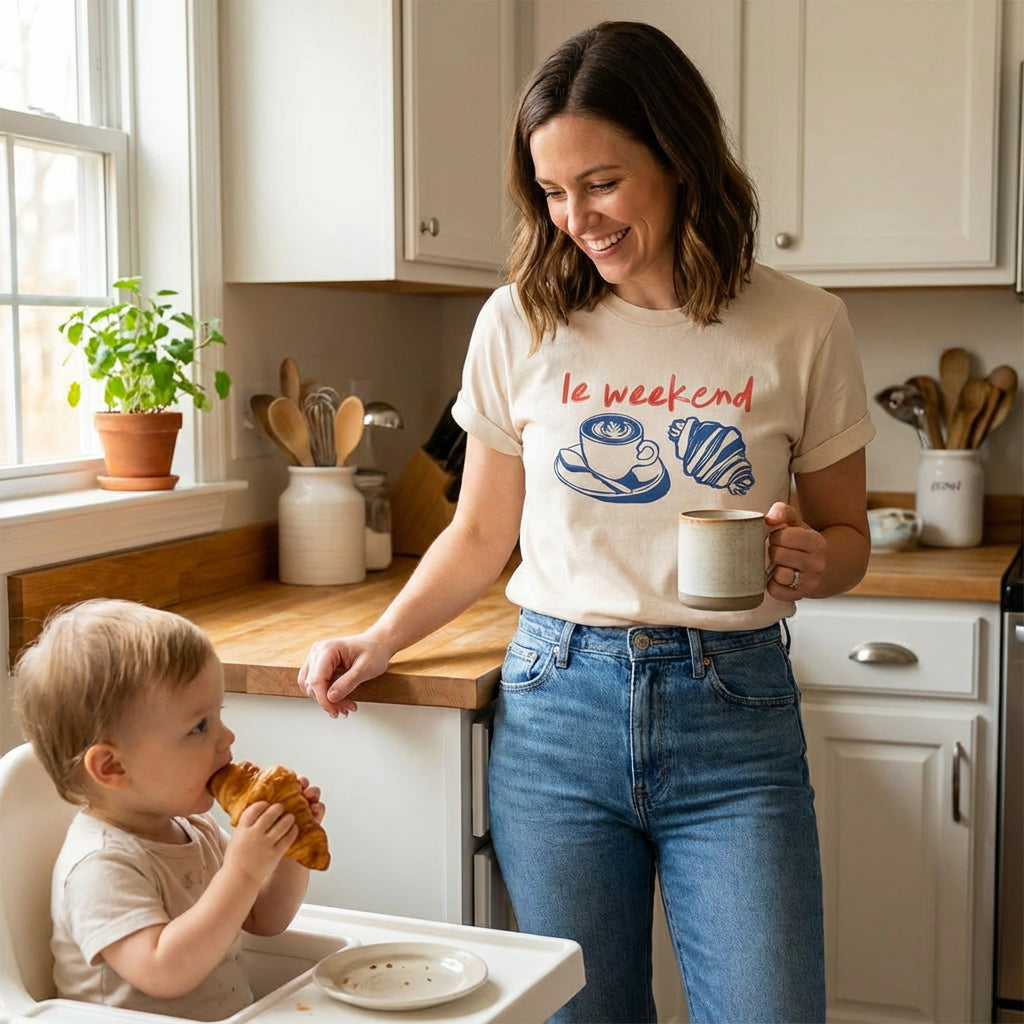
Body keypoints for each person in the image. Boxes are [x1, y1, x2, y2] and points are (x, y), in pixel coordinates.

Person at [299, 20, 874, 1024]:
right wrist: (378, 637)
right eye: (553, 192)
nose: (578, 218)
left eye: (601, 183)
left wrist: (812, 560)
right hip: (556, 709)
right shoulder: (518, 320)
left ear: (680, 158)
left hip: (731, 718)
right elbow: (480, 533)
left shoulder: (802, 323)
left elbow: (849, 538)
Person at [13, 598, 324, 1022]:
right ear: (113, 766)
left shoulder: (193, 827)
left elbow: (266, 918)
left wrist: (285, 851)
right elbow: (164, 971)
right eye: (199, 727)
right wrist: (244, 871)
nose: (226, 737)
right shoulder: (100, 864)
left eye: (219, 716)